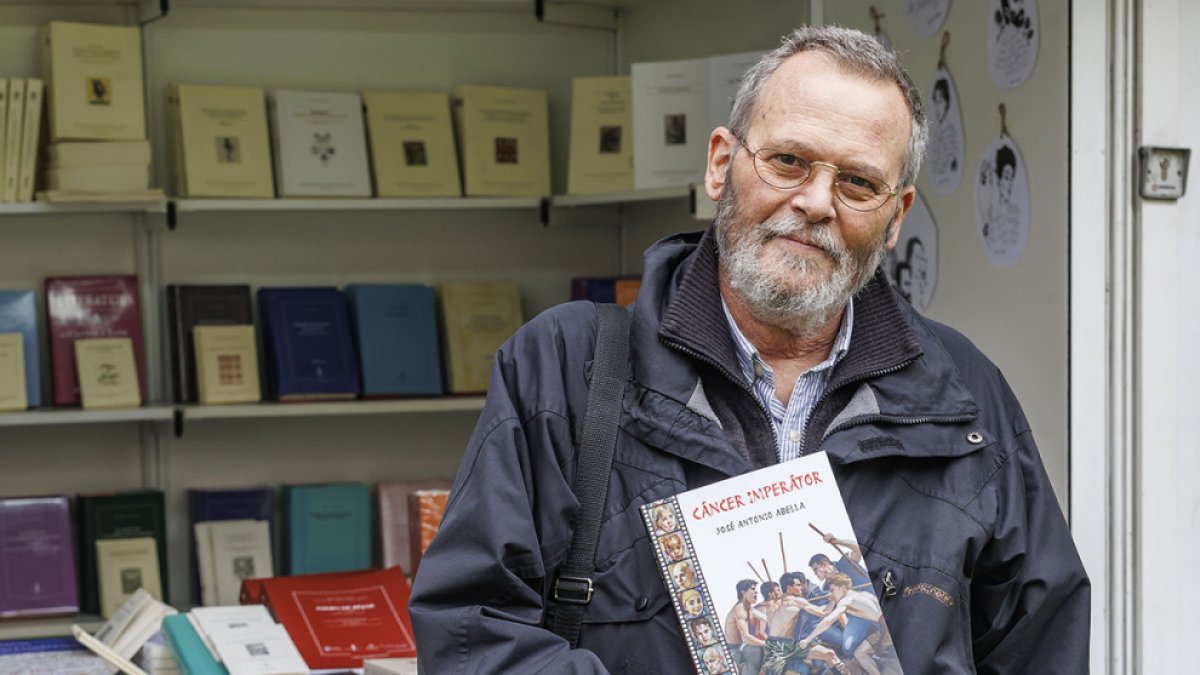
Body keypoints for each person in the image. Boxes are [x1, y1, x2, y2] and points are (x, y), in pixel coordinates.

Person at [409, 24, 1089, 674]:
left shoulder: (964, 393)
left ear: (895, 217)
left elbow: (1041, 643)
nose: (816, 201)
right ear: (720, 163)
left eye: (857, 182)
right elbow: (473, 629)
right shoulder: (563, 370)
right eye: (789, 160)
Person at [725, 579, 767, 674]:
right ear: (743, 592)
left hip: (740, 648)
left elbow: (765, 618)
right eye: (752, 589)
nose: (756, 591)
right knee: (756, 650)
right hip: (733, 652)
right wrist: (766, 643)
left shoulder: (748, 608)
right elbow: (746, 638)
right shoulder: (740, 610)